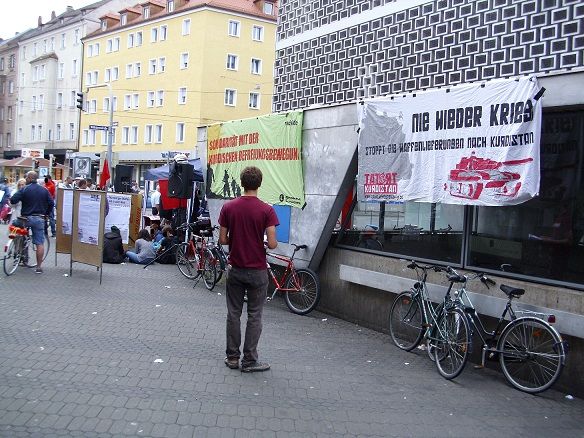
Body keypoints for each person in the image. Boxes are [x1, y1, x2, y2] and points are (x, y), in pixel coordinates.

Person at [218, 166, 279, 372]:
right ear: (259, 184)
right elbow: (272, 244)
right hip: (257, 271)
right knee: (255, 315)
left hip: (235, 268)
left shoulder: (228, 207)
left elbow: (222, 239)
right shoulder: (267, 210)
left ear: (241, 183)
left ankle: (232, 358)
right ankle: (250, 361)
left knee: (233, 313)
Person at [10, 171, 54, 274]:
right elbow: (51, 203)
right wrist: (46, 213)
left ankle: (17, 244)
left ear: (29, 178)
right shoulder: (44, 190)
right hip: (39, 219)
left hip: (25, 219)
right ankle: (38, 267)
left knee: (14, 224)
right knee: (39, 243)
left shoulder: (24, 189)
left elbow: (13, 200)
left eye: (26, 178)